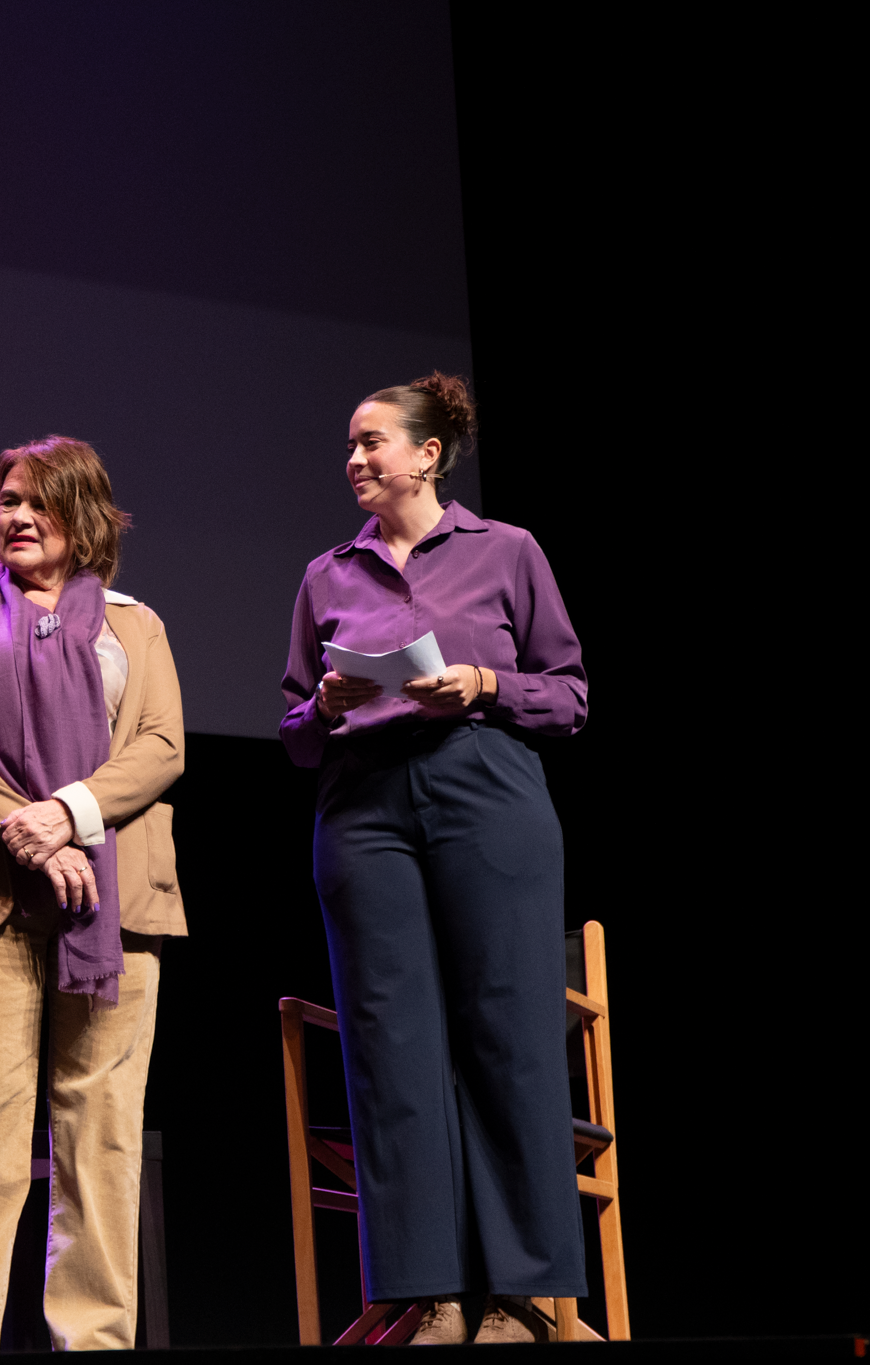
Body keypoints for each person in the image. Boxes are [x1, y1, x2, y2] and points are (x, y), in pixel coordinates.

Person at [278, 373, 587, 1345]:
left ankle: (516, 1294)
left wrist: (486, 681)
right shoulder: (328, 573)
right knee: (390, 1045)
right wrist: (320, 707)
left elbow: (568, 694)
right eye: (349, 446)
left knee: (506, 1034)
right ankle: (428, 1289)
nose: (355, 459)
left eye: (372, 441)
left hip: (482, 786)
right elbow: (290, 728)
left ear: (427, 453)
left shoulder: (506, 552)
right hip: (363, 806)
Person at [0, 436, 185, 1353]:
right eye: (8, 501)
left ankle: (94, 1341)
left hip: (115, 903)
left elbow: (161, 746)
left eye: (42, 504)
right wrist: (29, 831)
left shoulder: (136, 625)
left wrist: (68, 815)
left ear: (87, 519)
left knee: (101, 1136)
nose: (18, 517)